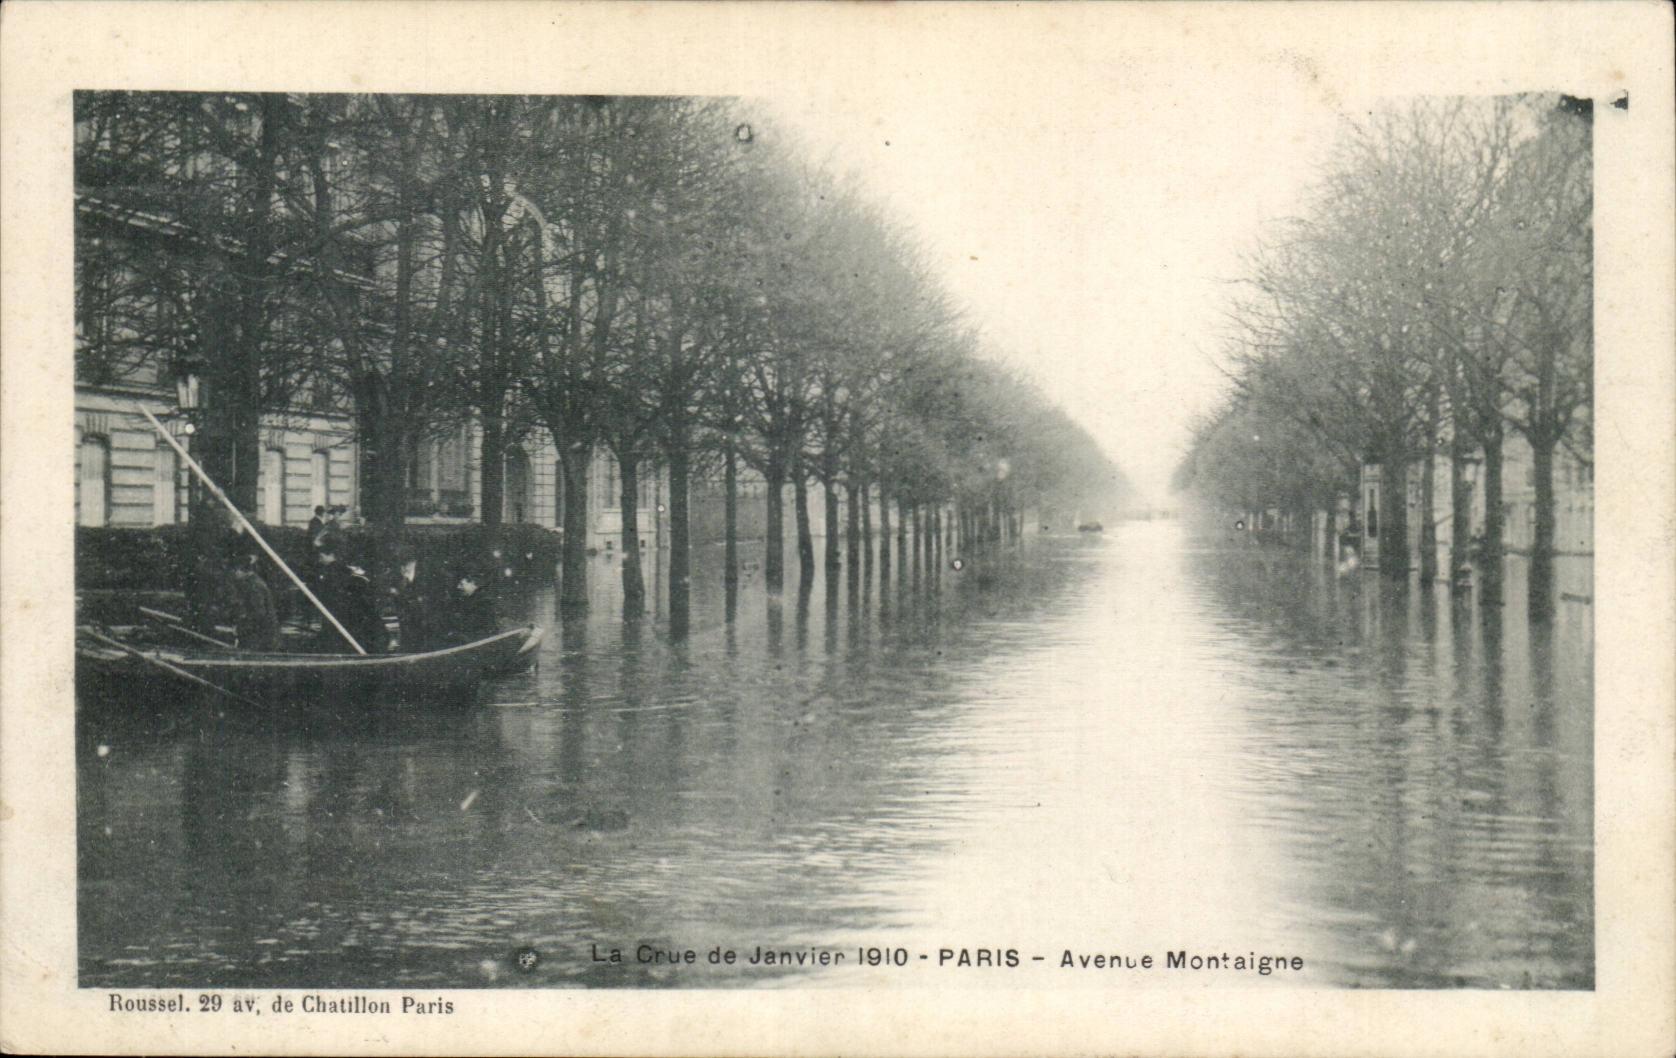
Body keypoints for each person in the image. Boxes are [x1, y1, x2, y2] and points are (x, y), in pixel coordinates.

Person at [308, 535, 386, 653]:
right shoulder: (347, 571)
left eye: (321, 555)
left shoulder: (333, 572)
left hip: (344, 617)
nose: (319, 558)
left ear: (330, 554)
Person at [225, 548, 280, 651]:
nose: (233, 574)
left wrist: (242, 628)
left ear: (241, 570)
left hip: (262, 637)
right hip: (262, 634)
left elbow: (259, 613)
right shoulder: (252, 582)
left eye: (235, 571)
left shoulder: (254, 586)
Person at [439, 566, 499, 648]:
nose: (458, 587)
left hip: (481, 643)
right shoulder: (464, 601)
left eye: (461, 584)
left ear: (473, 584)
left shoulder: (484, 602)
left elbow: (474, 625)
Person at [387, 550, 435, 653]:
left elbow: (425, 602)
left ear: (413, 563)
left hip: (423, 622)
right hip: (405, 623)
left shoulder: (425, 578)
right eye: (400, 566)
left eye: (404, 565)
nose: (401, 569)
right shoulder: (398, 579)